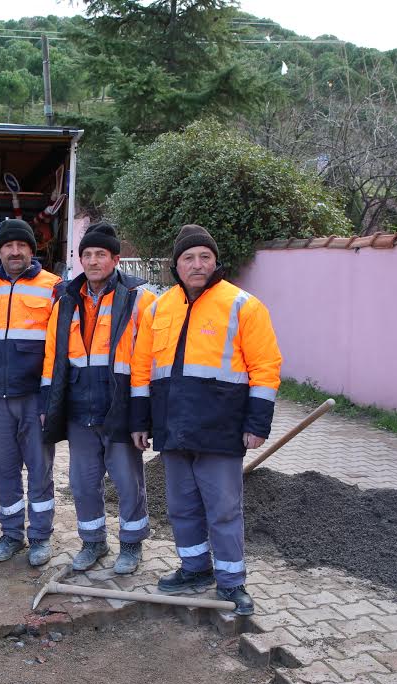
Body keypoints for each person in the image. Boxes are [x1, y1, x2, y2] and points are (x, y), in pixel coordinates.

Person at [129, 225, 282, 615]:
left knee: (224, 508)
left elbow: (265, 368)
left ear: (215, 262)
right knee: (181, 506)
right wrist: (140, 420)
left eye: (204, 257)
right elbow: (142, 368)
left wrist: (256, 425)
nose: (197, 265)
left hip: (221, 425)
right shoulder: (159, 307)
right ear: (175, 265)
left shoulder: (243, 305)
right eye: (188, 258)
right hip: (173, 425)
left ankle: (231, 582)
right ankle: (195, 568)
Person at [41, 223, 156, 575]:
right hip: (80, 410)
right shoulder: (64, 300)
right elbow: (52, 357)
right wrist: (49, 405)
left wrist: (141, 416)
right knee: (82, 482)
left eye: (100, 255)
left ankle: (132, 546)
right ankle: (93, 543)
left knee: (127, 482)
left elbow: (146, 361)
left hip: (118, 409)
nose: (93, 261)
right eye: (87, 255)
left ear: (115, 259)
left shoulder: (140, 299)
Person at [0, 219, 62, 567]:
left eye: (21, 245)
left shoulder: (54, 288)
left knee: (40, 469)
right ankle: (11, 534)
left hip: (35, 398)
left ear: (32, 249)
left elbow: (60, 348)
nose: (14, 251)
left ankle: (40, 537)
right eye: (8, 246)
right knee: (3, 469)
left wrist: (51, 398)